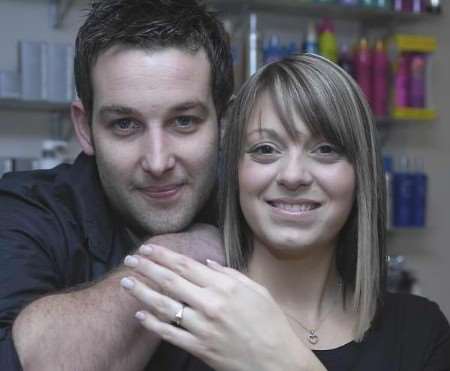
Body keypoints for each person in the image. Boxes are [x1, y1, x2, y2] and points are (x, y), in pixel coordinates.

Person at [120, 54, 450, 371]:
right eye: (266, 149)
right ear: (235, 171)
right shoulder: (176, 324)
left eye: (325, 149)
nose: (293, 176)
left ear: (361, 173)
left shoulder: (420, 332)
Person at [0, 0, 233, 370]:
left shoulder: (258, 204)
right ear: (84, 128)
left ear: (222, 123)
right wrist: (181, 252)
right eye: (125, 124)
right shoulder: (27, 213)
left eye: (184, 121)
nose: (158, 162)